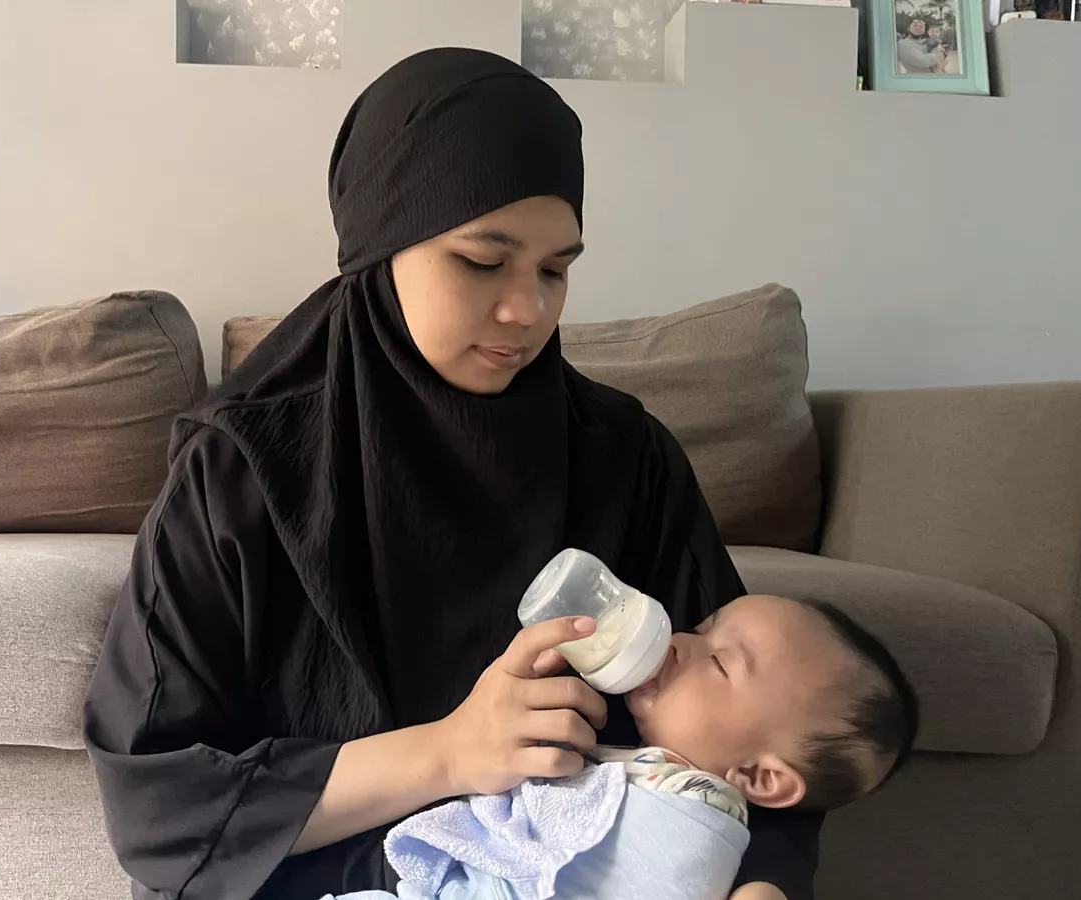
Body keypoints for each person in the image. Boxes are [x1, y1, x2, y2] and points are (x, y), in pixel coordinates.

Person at [83, 47, 823, 900]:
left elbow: (770, 731)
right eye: (482, 261)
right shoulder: (239, 471)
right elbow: (161, 809)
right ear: (380, 247)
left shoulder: (628, 459)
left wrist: (762, 887)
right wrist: (450, 752)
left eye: (557, 269)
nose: (528, 310)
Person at [324, 595, 920, 900]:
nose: (680, 641)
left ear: (760, 778)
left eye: (718, 661)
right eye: (705, 625)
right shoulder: (646, 771)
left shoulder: (690, 816)